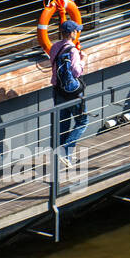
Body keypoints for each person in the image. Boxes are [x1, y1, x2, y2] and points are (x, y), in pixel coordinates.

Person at [49, 19, 90, 165]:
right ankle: (66, 150)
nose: (77, 32)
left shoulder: (54, 47)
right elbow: (76, 72)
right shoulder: (72, 50)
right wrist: (83, 59)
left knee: (63, 123)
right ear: (72, 33)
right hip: (73, 92)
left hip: (58, 90)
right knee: (82, 122)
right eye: (76, 30)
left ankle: (61, 156)